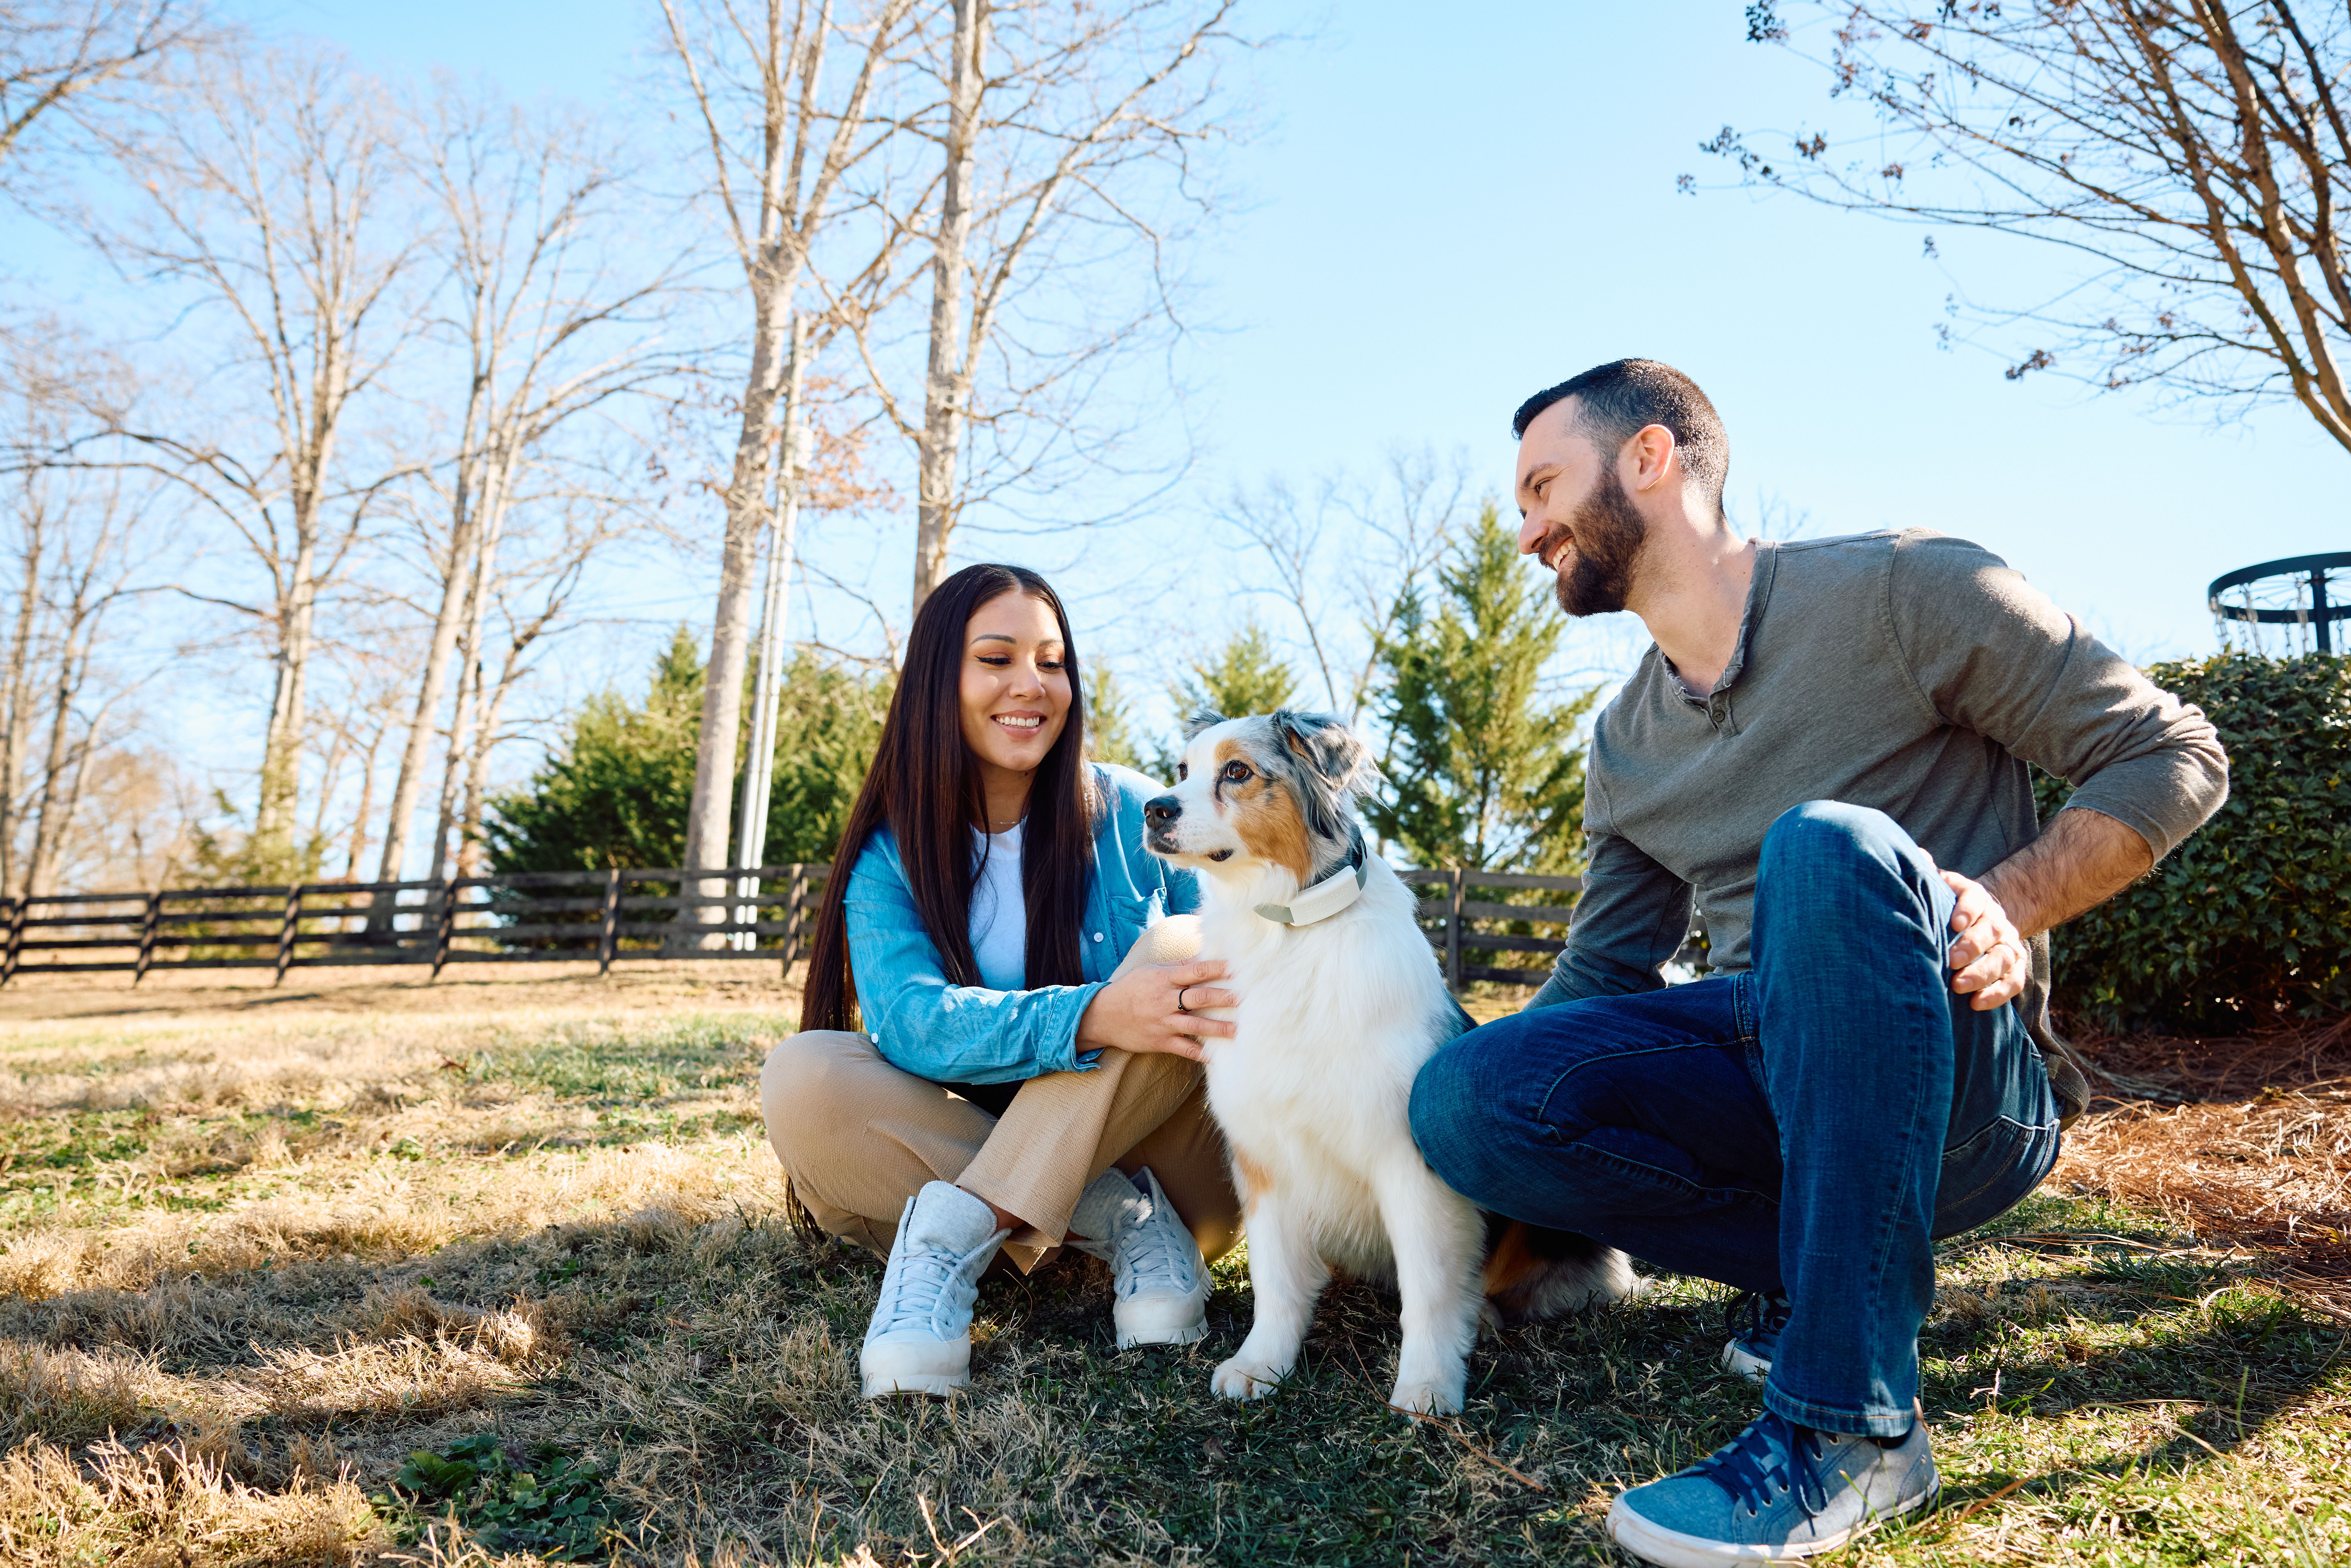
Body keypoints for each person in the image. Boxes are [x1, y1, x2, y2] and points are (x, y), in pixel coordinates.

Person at [1405, 360, 2228, 1566]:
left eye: (1541, 486)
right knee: (1462, 1094)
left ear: (1648, 458)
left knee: (1824, 849)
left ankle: (1852, 1426)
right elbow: (1599, 982)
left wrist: (1999, 901)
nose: (1524, 529)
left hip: (1958, 1089)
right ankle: (1818, 1267)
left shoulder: (1906, 590)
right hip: (1760, 1076)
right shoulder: (1624, 742)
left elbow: (2171, 752)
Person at [759, 563, 1242, 1400]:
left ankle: (955, 1236)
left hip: (1170, 1170)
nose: (1032, 685)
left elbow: (1241, 966)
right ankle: (1106, 1219)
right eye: (997, 658)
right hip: (1030, 1165)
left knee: (1183, 948)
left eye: (1052, 662)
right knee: (803, 1076)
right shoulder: (892, 850)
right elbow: (911, 1023)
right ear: (939, 679)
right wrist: (1093, 1015)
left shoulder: (1137, 812)